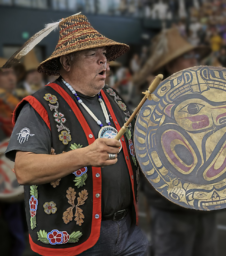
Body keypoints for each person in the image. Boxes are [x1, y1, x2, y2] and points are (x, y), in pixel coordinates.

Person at [4, 14, 148, 256]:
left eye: (104, 53)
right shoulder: (40, 106)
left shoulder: (112, 97)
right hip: (75, 239)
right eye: (93, 55)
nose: (104, 61)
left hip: (129, 230)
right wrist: (84, 156)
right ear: (67, 63)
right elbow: (24, 169)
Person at [134, 27, 217, 256]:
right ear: (170, 66)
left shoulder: (203, 97)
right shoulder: (152, 103)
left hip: (205, 203)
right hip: (173, 205)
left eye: (195, 57)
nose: (194, 61)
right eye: (187, 57)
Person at [0, 57, 26, 256]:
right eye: (4, 73)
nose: (11, 77)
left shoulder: (17, 101)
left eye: (12, 73)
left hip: (14, 173)